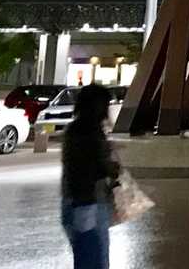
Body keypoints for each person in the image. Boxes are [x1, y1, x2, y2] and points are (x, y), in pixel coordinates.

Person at [61, 84, 119, 269]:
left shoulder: (74, 130)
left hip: (76, 202)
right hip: (88, 203)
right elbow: (90, 168)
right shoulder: (89, 132)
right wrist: (111, 167)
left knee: (86, 257)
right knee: (95, 259)